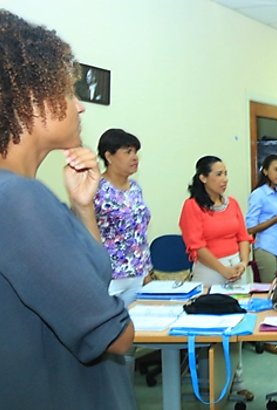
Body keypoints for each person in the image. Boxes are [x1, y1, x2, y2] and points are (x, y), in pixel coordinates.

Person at [0, 10, 134, 408]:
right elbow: (113, 334)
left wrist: (83, 208)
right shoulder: (18, 200)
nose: (80, 107)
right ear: (31, 101)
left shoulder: (23, 193)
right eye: (67, 92)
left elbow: (94, 280)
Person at [179, 155, 255, 399]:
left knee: (237, 326)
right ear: (203, 177)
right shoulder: (192, 206)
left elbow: (243, 236)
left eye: (225, 174)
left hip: (237, 267)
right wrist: (223, 270)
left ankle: (237, 381)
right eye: (218, 174)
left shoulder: (231, 204)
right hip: (210, 270)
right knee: (210, 327)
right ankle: (209, 383)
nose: (224, 179)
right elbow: (196, 246)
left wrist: (243, 263)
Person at [95, 128, 152, 306]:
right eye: (128, 152)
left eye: (135, 152)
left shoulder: (135, 188)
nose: (134, 157)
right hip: (110, 277)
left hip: (138, 274)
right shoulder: (95, 188)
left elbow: (140, 233)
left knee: (139, 329)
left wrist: (147, 269)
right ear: (109, 157)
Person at [246, 154, 277, 355]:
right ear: (265, 171)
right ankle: (265, 337)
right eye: (276, 169)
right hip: (264, 247)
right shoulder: (259, 194)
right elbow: (250, 228)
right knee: (268, 293)